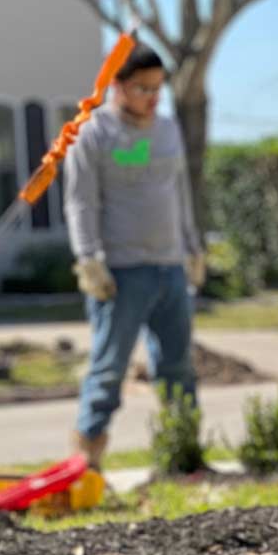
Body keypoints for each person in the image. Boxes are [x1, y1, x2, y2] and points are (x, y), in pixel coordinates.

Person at [63, 44, 204, 469]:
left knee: (178, 366)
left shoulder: (167, 129)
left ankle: (183, 457)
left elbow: (179, 193)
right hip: (120, 273)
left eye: (159, 89)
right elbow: (80, 203)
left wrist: (192, 247)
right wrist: (89, 259)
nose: (153, 98)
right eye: (143, 88)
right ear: (118, 87)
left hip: (170, 266)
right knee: (108, 371)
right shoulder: (93, 133)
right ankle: (86, 463)